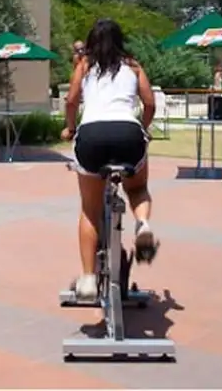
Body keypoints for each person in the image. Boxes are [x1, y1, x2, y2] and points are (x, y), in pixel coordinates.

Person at [61, 18, 157, 300]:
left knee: (90, 209)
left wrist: (70, 127)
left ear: (90, 42)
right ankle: (143, 224)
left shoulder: (84, 66)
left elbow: (71, 101)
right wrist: (145, 128)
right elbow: (149, 103)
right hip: (128, 133)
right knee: (137, 188)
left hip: (92, 135)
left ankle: (89, 279)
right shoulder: (133, 65)